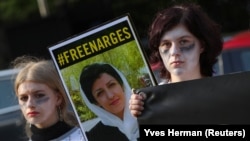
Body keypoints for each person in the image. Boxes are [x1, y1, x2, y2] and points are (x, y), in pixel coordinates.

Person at [129, 3, 223, 117]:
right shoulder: (149, 102)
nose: (174, 52)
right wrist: (137, 120)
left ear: (202, 45)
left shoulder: (226, 94)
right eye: (166, 44)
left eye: (183, 41)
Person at [12, 55, 86, 141]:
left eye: (39, 95)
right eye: (24, 98)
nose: (30, 104)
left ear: (58, 98)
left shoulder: (84, 137)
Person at [79, 63, 139, 141]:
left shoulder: (152, 109)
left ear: (122, 85)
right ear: (95, 102)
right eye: (100, 93)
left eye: (111, 85)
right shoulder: (94, 137)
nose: (110, 96)